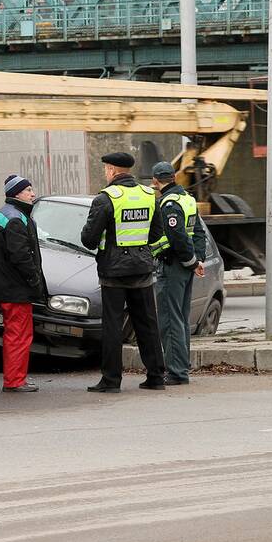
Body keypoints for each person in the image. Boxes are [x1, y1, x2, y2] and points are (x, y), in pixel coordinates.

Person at [80, 152, 166, 393]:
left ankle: (111, 380)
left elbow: (88, 239)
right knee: (148, 324)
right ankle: (156, 376)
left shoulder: (106, 198)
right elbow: (156, 233)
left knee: (113, 327)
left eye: (106, 169)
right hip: (142, 269)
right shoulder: (148, 195)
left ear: (112, 171)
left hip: (113, 272)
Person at [149, 161, 208, 385]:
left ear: (156, 180)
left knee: (170, 320)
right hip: (184, 267)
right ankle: (181, 366)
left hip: (172, 266)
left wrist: (192, 261)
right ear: (173, 177)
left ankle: (176, 372)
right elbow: (199, 233)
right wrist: (197, 260)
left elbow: (178, 237)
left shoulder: (169, 203)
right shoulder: (187, 199)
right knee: (181, 318)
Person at [0, 174, 45, 393]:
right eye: (28, 190)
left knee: (16, 334)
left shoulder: (8, 214)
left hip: (10, 287)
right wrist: (34, 281)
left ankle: (15, 379)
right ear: (16, 193)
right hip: (17, 289)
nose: (33, 194)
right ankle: (14, 381)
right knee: (19, 336)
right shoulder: (16, 218)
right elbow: (21, 256)